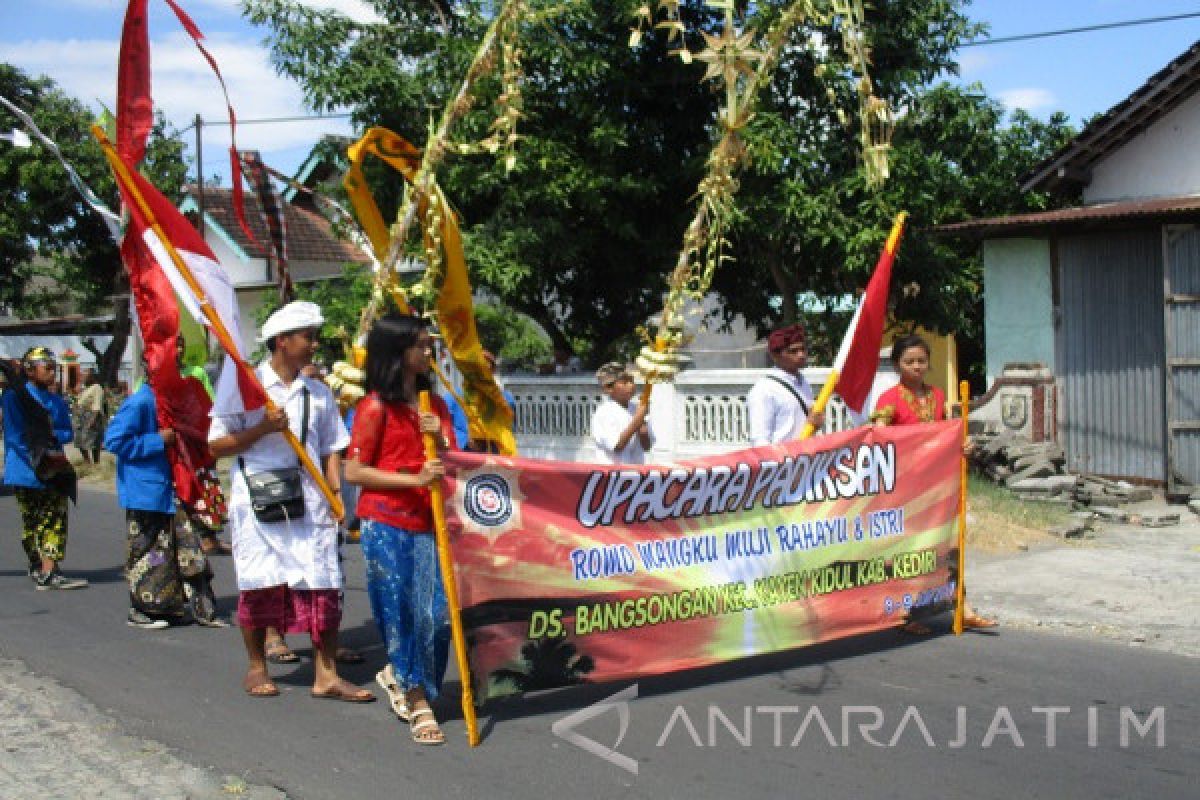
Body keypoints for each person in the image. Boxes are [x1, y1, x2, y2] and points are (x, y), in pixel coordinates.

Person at [208, 301, 374, 702]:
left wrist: (337, 495)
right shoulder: (245, 387)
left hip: (311, 500)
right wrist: (262, 428)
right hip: (259, 499)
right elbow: (215, 445)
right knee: (260, 581)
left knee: (323, 583)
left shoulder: (318, 393)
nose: (314, 345)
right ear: (282, 342)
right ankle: (256, 667)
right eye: (307, 337)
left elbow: (333, 447)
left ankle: (326, 674)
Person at [344, 313, 456, 745]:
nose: (429, 353)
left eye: (430, 345)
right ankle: (416, 698)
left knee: (438, 615)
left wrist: (441, 440)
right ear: (398, 352)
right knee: (400, 613)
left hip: (430, 524)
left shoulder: (435, 406)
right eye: (422, 346)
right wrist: (413, 481)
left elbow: (453, 462)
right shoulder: (373, 407)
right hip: (386, 523)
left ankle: (406, 677)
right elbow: (355, 470)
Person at [871, 334, 997, 633]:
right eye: (909, 361)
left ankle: (962, 605)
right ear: (897, 365)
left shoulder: (938, 396)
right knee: (909, 551)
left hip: (939, 485)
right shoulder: (888, 401)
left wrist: (963, 444)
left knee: (948, 545)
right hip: (905, 489)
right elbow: (878, 441)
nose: (916, 366)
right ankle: (903, 613)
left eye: (921, 361)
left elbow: (946, 433)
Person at [105, 382, 225, 629]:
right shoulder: (141, 402)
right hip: (146, 491)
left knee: (181, 549)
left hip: (174, 489)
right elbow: (115, 440)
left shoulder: (176, 401)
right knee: (149, 553)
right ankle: (142, 608)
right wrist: (156, 440)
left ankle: (176, 606)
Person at [1, 347, 88, 590]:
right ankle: (39, 564)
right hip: (25, 468)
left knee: (54, 518)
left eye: (54, 368)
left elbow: (67, 432)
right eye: (46, 367)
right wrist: (36, 455)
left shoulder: (56, 401)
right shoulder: (13, 398)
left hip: (52, 466)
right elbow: (15, 435)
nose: (52, 373)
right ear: (29, 371)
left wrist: (49, 436)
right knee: (31, 522)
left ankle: (49, 570)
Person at [746, 323, 825, 446]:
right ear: (775, 355)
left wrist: (816, 425)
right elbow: (760, 440)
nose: (801, 355)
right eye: (793, 351)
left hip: (804, 458)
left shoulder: (803, 383)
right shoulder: (764, 390)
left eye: (803, 349)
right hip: (781, 462)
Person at [591, 361, 654, 465]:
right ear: (608, 388)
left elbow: (646, 446)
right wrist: (638, 419)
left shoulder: (636, 409)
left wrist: (642, 422)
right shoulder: (604, 412)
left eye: (632, 381)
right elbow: (618, 446)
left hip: (636, 471)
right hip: (613, 474)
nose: (631, 386)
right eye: (624, 383)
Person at [76, 370, 107, 464]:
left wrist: (92, 420)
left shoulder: (97, 388)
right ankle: (87, 462)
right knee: (80, 441)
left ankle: (96, 463)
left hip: (92, 416)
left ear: (91, 377)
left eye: (85, 376)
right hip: (82, 417)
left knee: (93, 442)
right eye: (82, 376)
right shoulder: (86, 388)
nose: (82, 378)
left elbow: (97, 406)